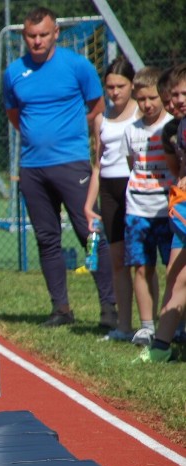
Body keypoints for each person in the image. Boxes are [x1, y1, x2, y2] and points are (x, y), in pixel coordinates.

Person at [3, 6, 116, 328]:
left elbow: (97, 107)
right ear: (24, 36)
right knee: (47, 238)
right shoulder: (14, 72)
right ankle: (61, 309)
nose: (37, 41)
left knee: (89, 232)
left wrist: (72, 133)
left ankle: (110, 308)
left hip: (73, 163)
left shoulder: (77, 65)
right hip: (32, 167)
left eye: (43, 34)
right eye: (31, 36)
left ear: (56, 33)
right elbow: (14, 115)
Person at [84, 58, 140, 341]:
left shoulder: (141, 112)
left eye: (120, 86)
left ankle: (152, 324)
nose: (115, 92)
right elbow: (97, 165)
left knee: (142, 262)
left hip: (135, 187)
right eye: (110, 87)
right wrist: (88, 204)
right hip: (108, 190)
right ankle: (124, 326)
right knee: (117, 260)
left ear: (132, 85)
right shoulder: (101, 118)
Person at [120, 66, 175, 347]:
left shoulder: (173, 126)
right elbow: (132, 164)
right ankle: (146, 326)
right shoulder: (131, 130)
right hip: (137, 210)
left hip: (168, 208)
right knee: (142, 268)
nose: (147, 104)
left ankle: (176, 323)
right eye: (141, 99)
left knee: (174, 270)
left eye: (152, 98)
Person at [136, 63, 186, 362]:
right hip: (183, 210)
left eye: (182, 94)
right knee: (176, 277)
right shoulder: (177, 128)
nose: (177, 101)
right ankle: (162, 346)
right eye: (172, 97)